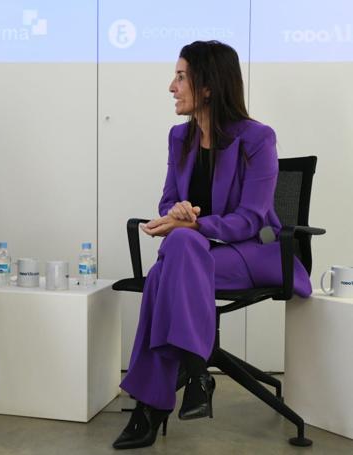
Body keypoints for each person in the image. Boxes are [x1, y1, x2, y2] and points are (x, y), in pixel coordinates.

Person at [112, 40, 312, 450]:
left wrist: (194, 224)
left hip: (256, 251)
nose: (171, 86)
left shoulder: (257, 138)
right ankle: (196, 371)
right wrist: (178, 212)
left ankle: (151, 405)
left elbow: (252, 218)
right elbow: (168, 201)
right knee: (180, 249)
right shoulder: (178, 138)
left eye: (181, 76)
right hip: (198, 254)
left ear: (207, 85)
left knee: (167, 268)